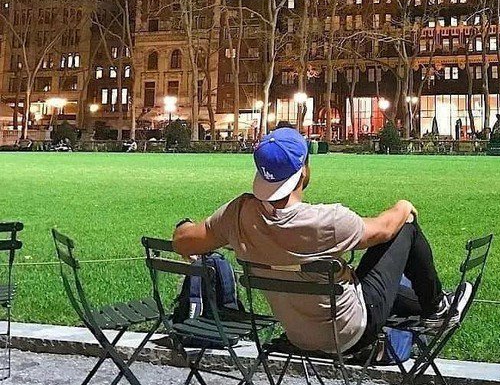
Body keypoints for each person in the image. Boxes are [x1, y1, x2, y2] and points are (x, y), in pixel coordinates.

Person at [172, 127, 470, 355]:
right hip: (351, 331)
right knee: (405, 228)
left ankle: (433, 304)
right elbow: (382, 230)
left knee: (370, 275)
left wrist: (184, 226)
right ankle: (437, 309)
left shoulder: (236, 216)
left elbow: (183, 241)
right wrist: (403, 206)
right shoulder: (327, 221)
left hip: (298, 334)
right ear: (303, 171)